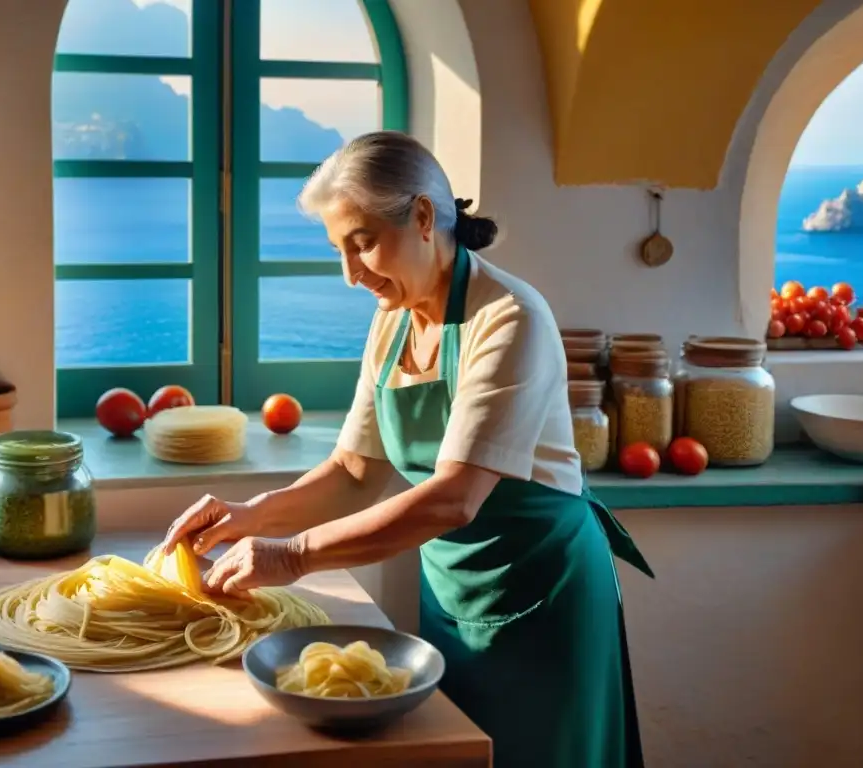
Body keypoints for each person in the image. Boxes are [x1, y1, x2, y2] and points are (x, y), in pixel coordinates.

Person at [162, 131, 654, 767]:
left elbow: (453, 499)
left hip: (544, 596)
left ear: (423, 216)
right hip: (452, 596)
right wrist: (251, 515)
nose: (350, 273)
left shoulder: (510, 318)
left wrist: (292, 555)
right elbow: (356, 470)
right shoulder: (392, 319)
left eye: (363, 242)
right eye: (340, 249)